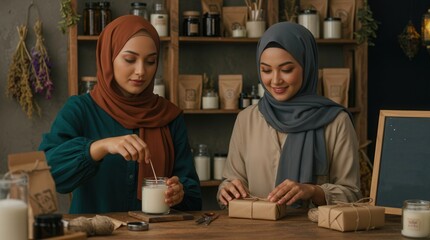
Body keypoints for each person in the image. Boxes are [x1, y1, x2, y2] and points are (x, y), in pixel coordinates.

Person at [39, 15, 202, 214]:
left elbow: (194, 197)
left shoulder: (168, 116)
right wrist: (99, 147)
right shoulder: (80, 109)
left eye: (151, 61)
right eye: (130, 59)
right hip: (95, 235)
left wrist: (180, 192)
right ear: (108, 57)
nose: (141, 71)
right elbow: (46, 174)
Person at [217, 22, 362, 208]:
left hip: (315, 234)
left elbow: (353, 195)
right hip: (256, 231)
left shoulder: (336, 121)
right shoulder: (247, 119)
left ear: (306, 65)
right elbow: (232, 180)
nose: (275, 80)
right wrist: (227, 189)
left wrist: (313, 191)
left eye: (286, 70)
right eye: (266, 70)